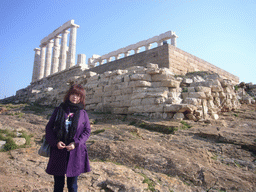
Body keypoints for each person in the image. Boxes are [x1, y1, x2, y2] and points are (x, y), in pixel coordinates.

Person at [45, 84, 91, 192]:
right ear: (68, 95)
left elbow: (87, 131)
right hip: (59, 151)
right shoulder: (59, 110)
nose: (75, 97)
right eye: (73, 94)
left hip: (75, 152)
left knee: (72, 186)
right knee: (58, 185)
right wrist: (55, 142)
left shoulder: (83, 113)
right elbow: (49, 128)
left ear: (81, 98)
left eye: (78, 95)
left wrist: (76, 143)